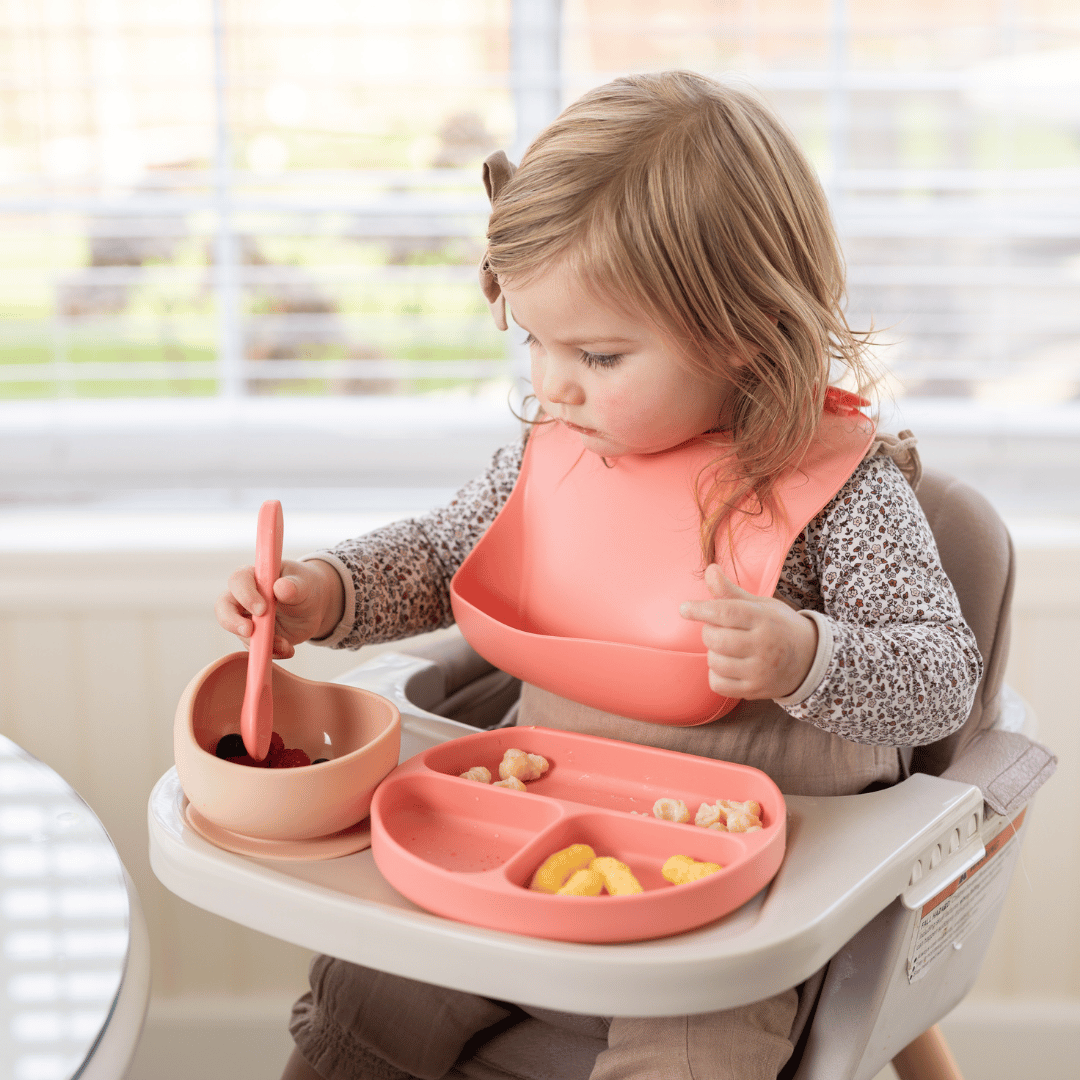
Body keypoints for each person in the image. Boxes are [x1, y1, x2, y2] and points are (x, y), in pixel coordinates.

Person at [216, 71, 982, 1080]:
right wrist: (331, 591)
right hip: (525, 827)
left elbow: (941, 679)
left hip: (741, 891)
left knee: (701, 1052)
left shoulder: (843, 493)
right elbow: (444, 553)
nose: (551, 384)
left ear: (743, 332)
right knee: (367, 992)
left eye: (600, 354)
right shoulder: (555, 445)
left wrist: (806, 656)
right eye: (534, 341)